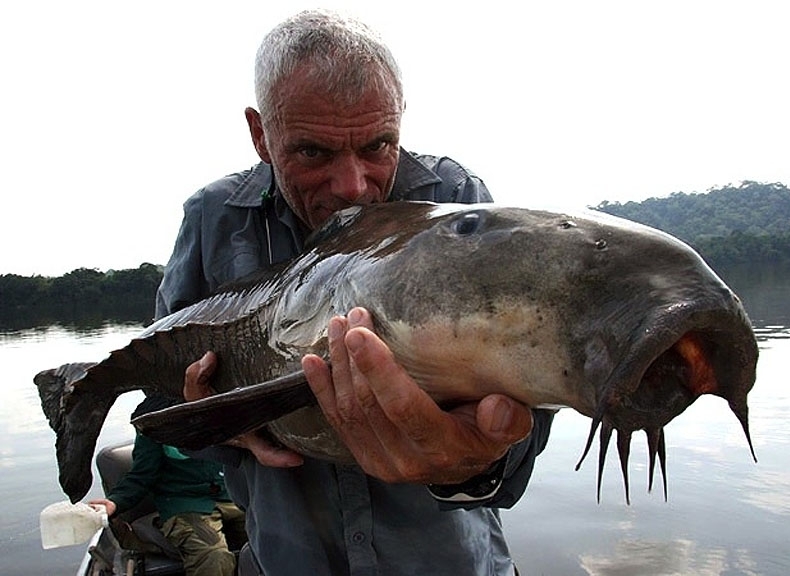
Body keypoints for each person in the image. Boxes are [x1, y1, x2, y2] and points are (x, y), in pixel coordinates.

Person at [156, 9, 555, 576]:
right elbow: (168, 398)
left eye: (378, 145)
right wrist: (228, 432)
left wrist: (476, 459)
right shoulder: (213, 220)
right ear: (260, 134)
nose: (353, 186)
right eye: (313, 152)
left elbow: (525, 425)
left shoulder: (457, 202)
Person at [90, 395, 247, 576]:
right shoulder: (152, 418)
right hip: (186, 505)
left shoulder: (226, 403)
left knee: (277, 538)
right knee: (213, 556)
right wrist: (115, 502)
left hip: (233, 498)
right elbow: (142, 475)